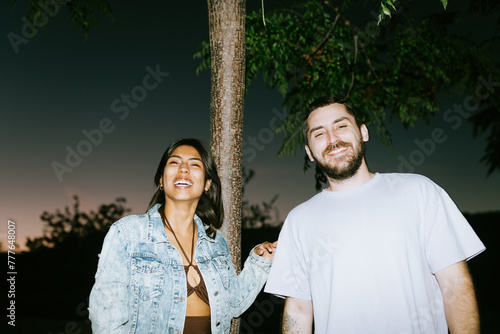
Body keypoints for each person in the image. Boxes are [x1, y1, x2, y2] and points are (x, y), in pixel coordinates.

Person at [264, 96, 485, 334]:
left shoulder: (419, 191)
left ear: (363, 132)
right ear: (309, 152)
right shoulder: (299, 220)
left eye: (341, 126)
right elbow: (298, 310)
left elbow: (455, 284)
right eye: (319, 133)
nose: (333, 139)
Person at [89, 138, 277, 333]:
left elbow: (234, 304)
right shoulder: (127, 234)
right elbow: (107, 320)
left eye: (194, 164)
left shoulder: (215, 241)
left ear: (207, 184)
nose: (184, 169)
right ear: (161, 180)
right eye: (174, 162)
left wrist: (260, 261)